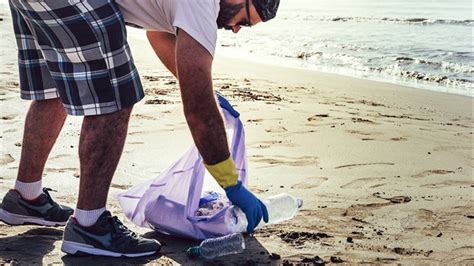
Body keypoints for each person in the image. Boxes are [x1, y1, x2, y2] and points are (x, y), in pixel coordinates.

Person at [0, 0, 280, 258]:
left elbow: (157, 33)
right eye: (242, 21)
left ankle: (26, 196)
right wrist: (232, 184)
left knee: (53, 90)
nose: (234, 29)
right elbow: (199, 114)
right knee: (115, 97)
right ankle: (89, 226)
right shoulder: (203, 4)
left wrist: (204, 90)